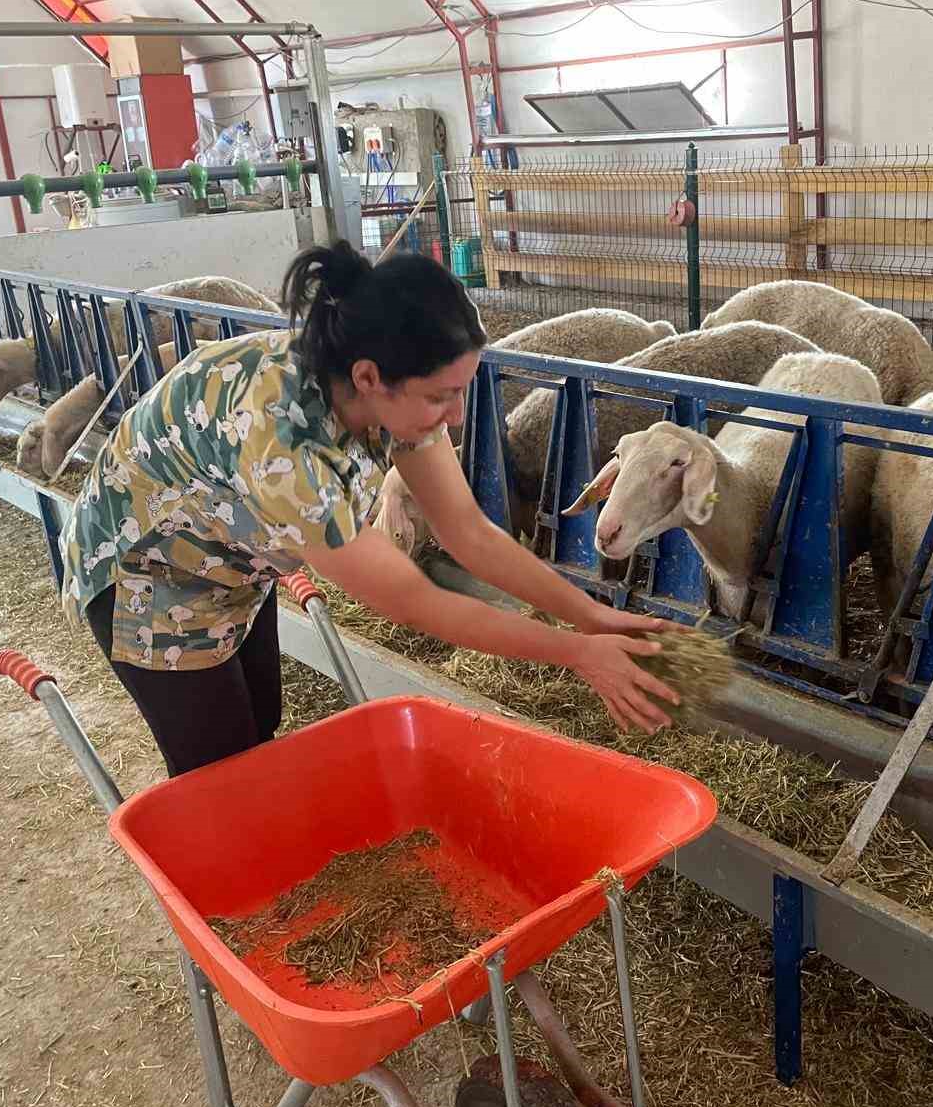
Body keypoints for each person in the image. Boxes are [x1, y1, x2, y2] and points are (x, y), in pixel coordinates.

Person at [57, 240, 677, 776]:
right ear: (370, 377)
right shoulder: (284, 444)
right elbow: (412, 599)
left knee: (260, 724)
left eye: (460, 391)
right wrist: (575, 654)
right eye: (442, 396)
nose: (458, 416)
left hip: (231, 557)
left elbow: (468, 532)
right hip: (149, 575)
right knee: (217, 764)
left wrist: (590, 617)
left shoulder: (393, 400)